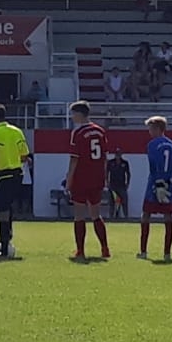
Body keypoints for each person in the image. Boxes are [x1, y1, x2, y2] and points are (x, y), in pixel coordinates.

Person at [0, 104, 31, 259]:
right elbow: (24, 156)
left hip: (1, 175)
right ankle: (8, 239)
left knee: (2, 210)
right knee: (9, 207)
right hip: (17, 174)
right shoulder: (17, 131)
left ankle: (4, 245)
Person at [66, 100, 110, 260]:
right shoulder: (100, 131)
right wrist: (104, 176)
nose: (72, 117)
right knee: (96, 214)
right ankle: (104, 248)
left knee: (79, 214)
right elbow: (104, 157)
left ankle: (80, 250)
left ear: (79, 114)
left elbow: (74, 159)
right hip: (97, 177)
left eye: (73, 114)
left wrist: (69, 179)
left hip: (81, 177)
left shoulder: (77, 133)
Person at [139, 116, 172, 260]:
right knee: (168, 215)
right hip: (168, 183)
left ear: (157, 128)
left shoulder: (152, 144)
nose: (149, 132)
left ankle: (143, 251)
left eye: (150, 128)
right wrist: (170, 178)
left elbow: (154, 164)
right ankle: (167, 253)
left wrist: (158, 181)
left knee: (146, 214)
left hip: (155, 182)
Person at [107, 150, 131, 220]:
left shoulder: (125, 163)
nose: (118, 156)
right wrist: (107, 182)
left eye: (119, 154)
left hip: (121, 185)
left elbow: (128, 174)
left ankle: (126, 217)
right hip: (112, 185)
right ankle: (111, 217)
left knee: (124, 201)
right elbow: (107, 172)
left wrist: (127, 183)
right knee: (111, 202)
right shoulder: (110, 162)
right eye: (116, 154)